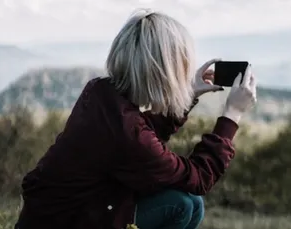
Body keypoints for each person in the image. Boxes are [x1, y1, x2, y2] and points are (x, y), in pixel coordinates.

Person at [15, 8, 257, 229]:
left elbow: (139, 137)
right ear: (165, 72)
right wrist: (232, 114)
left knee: (191, 203)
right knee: (181, 203)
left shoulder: (100, 92)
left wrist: (189, 95)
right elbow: (199, 177)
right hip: (67, 222)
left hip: (61, 214)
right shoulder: (128, 134)